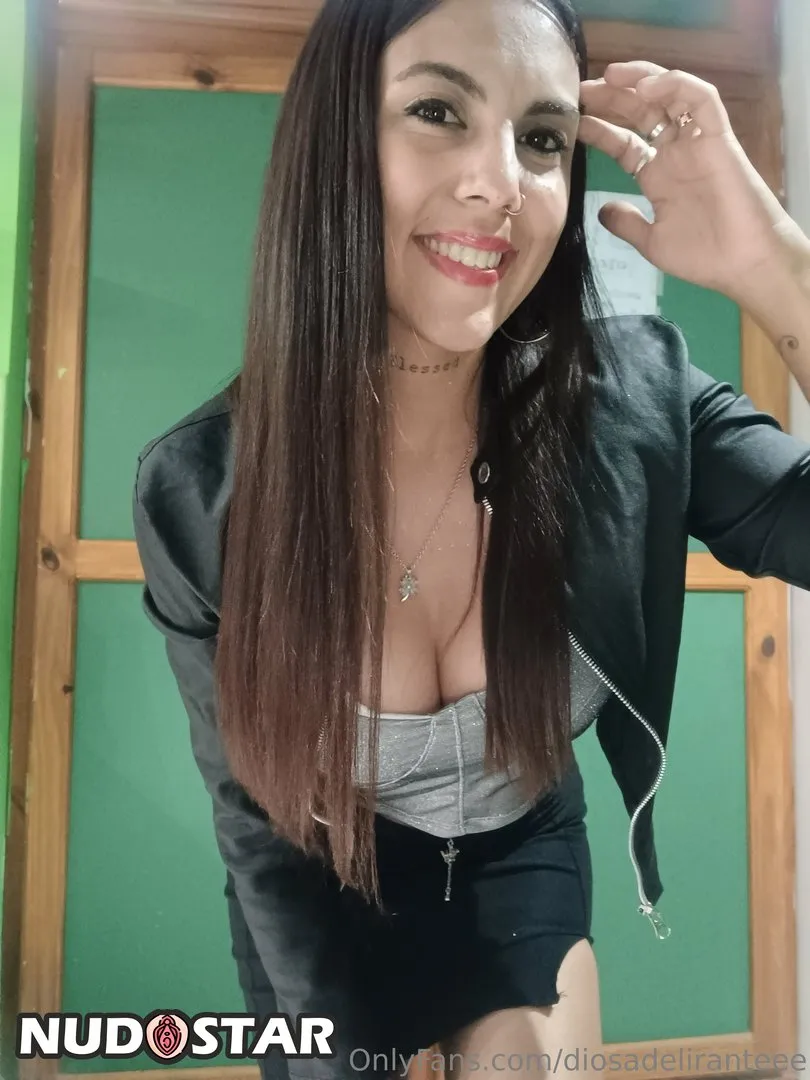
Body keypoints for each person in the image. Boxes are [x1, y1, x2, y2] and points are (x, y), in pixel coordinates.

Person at [131, 0, 810, 1077]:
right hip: (323, 882)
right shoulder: (199, 493)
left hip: (520, 855)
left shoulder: (636, 406)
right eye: (439, 111)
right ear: (336, 142)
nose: (502, 183)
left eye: (541, 138)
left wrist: (777, 266)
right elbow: (254, 819)